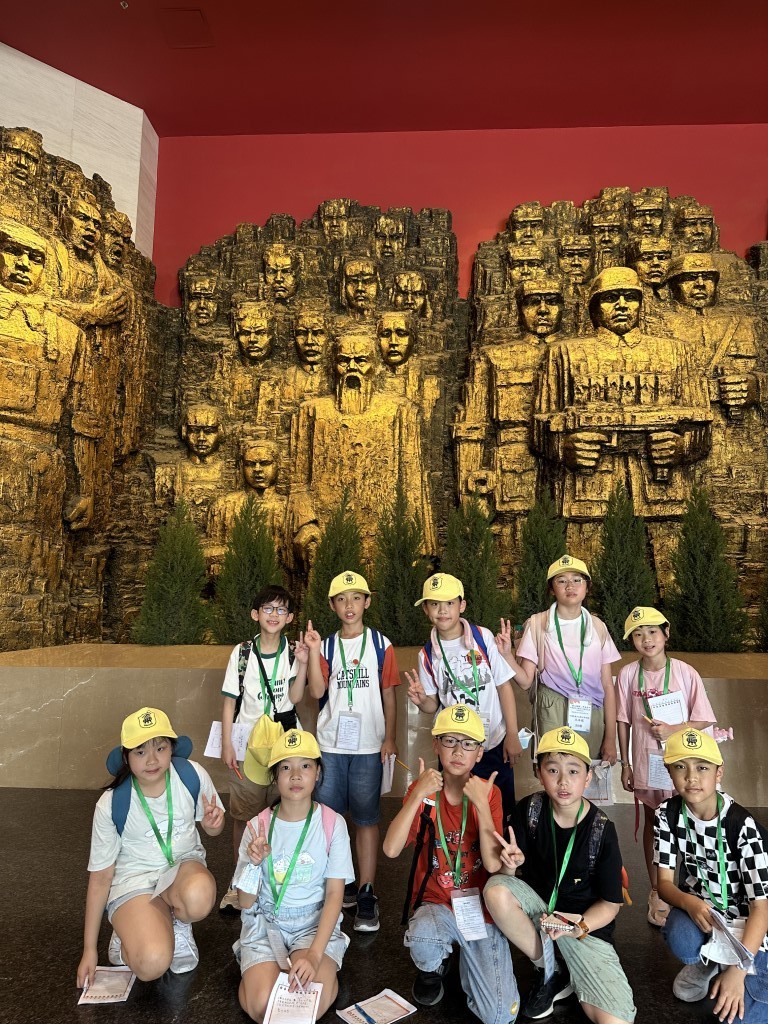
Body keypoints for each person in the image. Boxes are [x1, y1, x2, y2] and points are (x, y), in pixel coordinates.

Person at [484, 727, 636, 1024]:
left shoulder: (601, 829)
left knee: (614, 1020)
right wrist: (510, 865)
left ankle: (570, 967)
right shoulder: (530, 810)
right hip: (540, 914)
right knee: (496, 889)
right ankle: (550, 969)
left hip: (582, 926)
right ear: (539, 773)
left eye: (573, 771)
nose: (563, 781)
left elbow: (610, 905)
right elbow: (507, 879)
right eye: (552, 770)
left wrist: (579, 926)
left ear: (588, 777)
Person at [383, 704, 519, 1023]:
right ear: (436, 745)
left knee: (499, 1016)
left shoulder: (490, 793)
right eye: (450, 741)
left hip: (480, 908)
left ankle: (468, 961)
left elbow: (492, 864)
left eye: (468, 743)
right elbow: (390, 849)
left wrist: (482, 806)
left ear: (480, 753)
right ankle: (433, 969)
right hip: (438, 902)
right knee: (423, 939)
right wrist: (417, 794)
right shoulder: (424, 791)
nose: (458, 751)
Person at [76, 707, 224, 989]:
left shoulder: (191, 775)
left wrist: (213, 823)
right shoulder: (112, 803)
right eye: (140, 751)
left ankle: (179, 926)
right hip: (135, 882)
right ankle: (126, 936)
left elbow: (214, 830)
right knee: (151, 964)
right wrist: (89, 950)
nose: (152, 760)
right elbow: (101, 878)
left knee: (199, 895)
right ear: (126, 757)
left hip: (182, 869)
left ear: (172, 749)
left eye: (160, 748)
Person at [235, 729, 354, 1023]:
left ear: (318, 773)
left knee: (302, 1007)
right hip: (265, 925)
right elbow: (245, 902)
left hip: (313, 924)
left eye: (306, 766)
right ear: (275, 776)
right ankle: (255, 973)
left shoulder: (332, 823)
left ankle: (323, 967)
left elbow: (335, 895)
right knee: (263, 1008)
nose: (296, 775)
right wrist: (253, 864)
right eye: (286, 767)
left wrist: (314, 955)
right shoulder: (257, 827)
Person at [305, 570, 400, 931]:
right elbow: (317, 692)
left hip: (368, 746)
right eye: (342, 599)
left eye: (356, 598)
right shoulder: (327, 646)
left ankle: (366, 889)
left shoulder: (381, 645)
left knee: (366, 819)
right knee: (329, 819)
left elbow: (389, 694)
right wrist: (314, 652)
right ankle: (339, 882)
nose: (349, 605)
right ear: (332, 605)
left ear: (367, 602)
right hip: (330, 744)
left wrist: (389, 737)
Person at [655, 729, 768, 1022]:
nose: (691, 777)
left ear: (719, 773)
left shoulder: (742, 825)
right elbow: (664, 884)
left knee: (743, 1018)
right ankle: (709, 960)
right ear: (669, 772)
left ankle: (735, 960)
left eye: (702, 767)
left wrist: (738, 972)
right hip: (707, 912)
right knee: (680, 935)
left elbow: (760, 908)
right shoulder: (667, 814)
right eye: (680, 767)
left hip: (751, 921)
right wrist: (690, 903)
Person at [616, 606, 715, 927]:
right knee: (654, 821)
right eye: (638, 634)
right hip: (647, 763)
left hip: (681, 763)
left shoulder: (685, 672)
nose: (646, 639)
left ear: (666, 633)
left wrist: (675, 729)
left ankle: (695, 888)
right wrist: (626, 764)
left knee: (688, 820)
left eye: (652, 632)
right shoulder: (628, 675)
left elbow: (703, 717)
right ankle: (658, 890)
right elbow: (622, 721)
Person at [219, 586, 309, 911]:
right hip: (248, 745)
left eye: (281, 609)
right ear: (255, 614)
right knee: (245, 815)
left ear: (290, 617)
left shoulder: (293, 652)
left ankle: (277, 880)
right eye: (268, 608)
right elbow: (229, 701)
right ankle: (239, 881)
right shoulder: (242, 653)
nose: (274, 615)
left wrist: (304, 663)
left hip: (285, 744)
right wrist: (228, 743)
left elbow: (296, 697)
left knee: (285, 810)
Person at [406, 572, 522, 822]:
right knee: (456, 813)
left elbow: (503, 686)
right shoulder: (427, 655)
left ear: (462, 605)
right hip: (454, 749)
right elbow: (433, 704)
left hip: (493, 742)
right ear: (426, 609)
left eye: (449, 603)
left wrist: (512, 734)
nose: (442, 610)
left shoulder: (483, 637)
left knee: (500, 810)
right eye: (434, 604)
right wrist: (421, 700)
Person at [499, 555, 621, 763]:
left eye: (577, 580)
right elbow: (526, 681)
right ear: (552, 589)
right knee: (554, 768)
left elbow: (607, 685)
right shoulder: (537, 624)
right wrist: (507, 656)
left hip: (591, 709)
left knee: (587, 769)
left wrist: (610, 738)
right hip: (552, 707)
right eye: (561, 581)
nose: (570, 586)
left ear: (587, 587)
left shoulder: (597, 626)